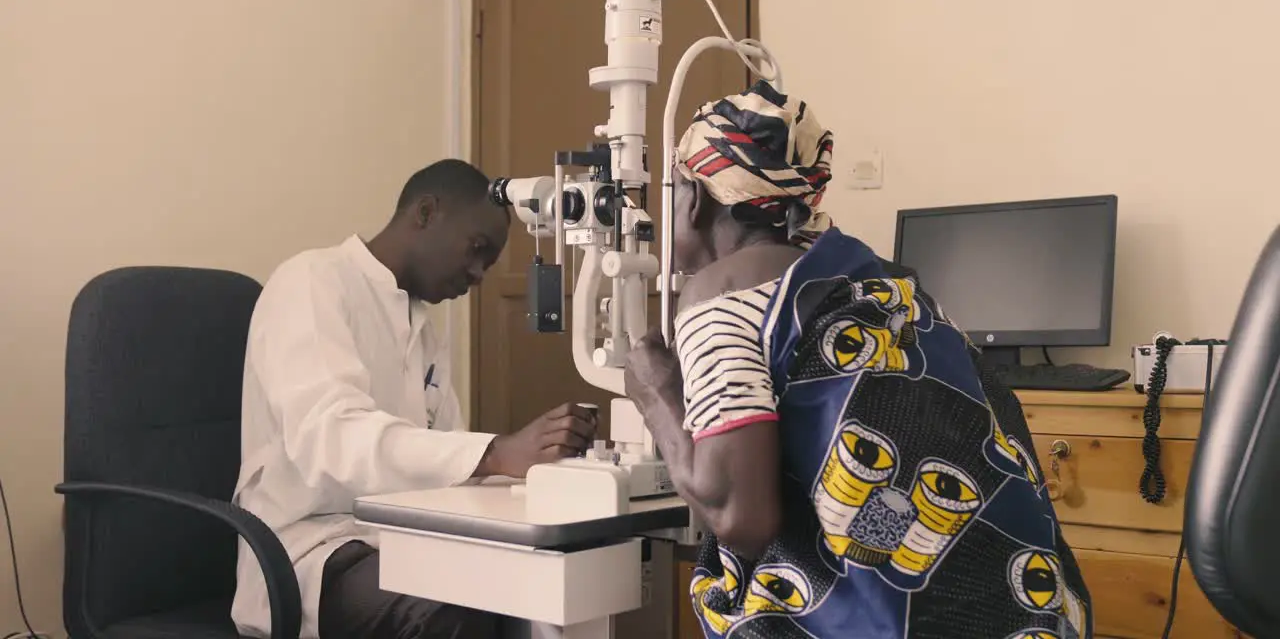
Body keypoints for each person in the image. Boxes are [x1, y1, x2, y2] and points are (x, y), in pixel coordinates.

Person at [623, 83, 1093, 638]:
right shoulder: (885, 283)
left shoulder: (720, 295)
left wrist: (655, 392)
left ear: (694, 197)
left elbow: (740, 520)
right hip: (1038, 614)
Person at [231, 158, 598, 639]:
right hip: (312, 547)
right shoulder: (311, 281)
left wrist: (542, 478)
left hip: (395, 537)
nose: (479, 274)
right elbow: (331, 438)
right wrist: (496, 452)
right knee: (450, 610)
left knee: (535, 589)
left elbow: (447, 472)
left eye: (487, 263)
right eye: (477, 249)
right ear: (426, 212)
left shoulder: (422, 328)